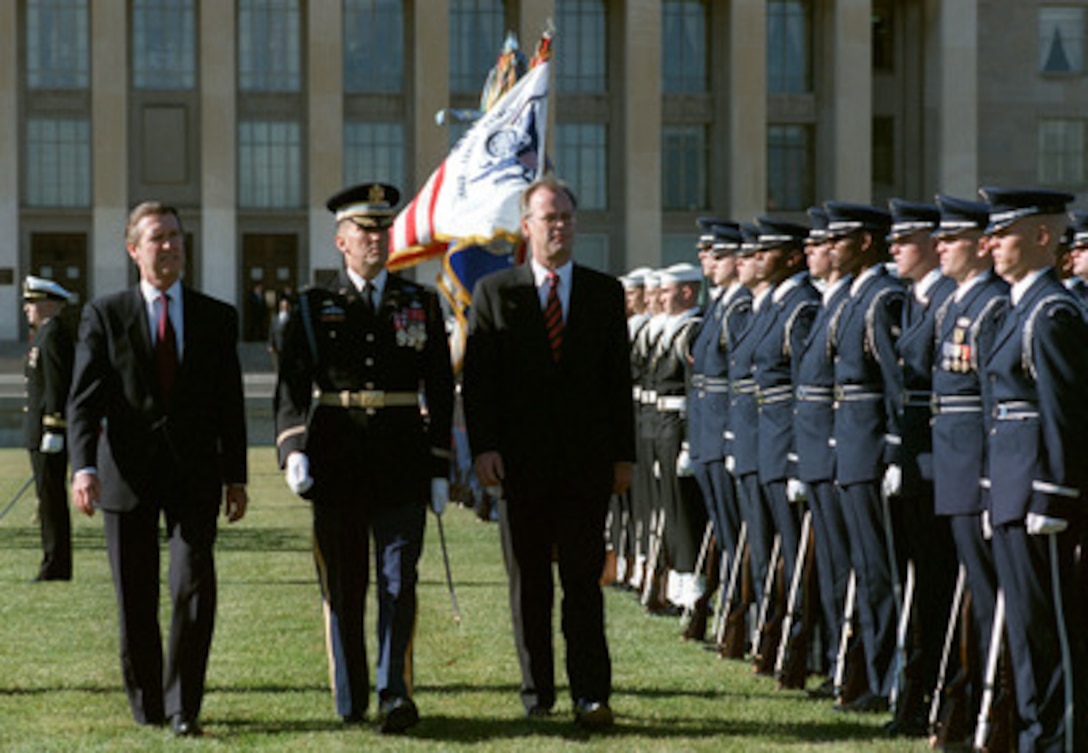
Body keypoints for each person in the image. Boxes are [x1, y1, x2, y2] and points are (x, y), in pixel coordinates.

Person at [273, 182, 454, 733]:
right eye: (365, 231)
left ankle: (394, 693)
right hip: (337, 459)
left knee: (399, 583)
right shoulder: (310, 307)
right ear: (341, 241)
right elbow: (289, 390)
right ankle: (351, 697)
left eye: (383, 230)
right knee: (346, 586)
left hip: (402, 459)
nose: (376, 239)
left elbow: (440, 388)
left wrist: (441, 463)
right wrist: (293, 450)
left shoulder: (420, 303)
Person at [67, 201, 249, 737]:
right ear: (133, 250)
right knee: (137, 596)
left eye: (175, 236)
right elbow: (83, 401)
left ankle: (183, 706)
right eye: (157, 238)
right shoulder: (105, 314)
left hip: (194, 476)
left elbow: (229, 404)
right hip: (126, 475)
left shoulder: (217, 317)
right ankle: (147, 701)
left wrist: (235, 475)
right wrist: (82, 468)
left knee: (194, 587)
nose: (169, 246)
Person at [462, 175, 635, 729]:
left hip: (586, 467)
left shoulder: (604, 293)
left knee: (583, 585)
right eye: (548, 217)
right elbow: (480, 382)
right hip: (520, 465)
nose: (558, 226)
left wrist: (622, 457)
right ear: (527, 227)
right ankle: (538, 692)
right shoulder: (495, 293)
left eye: (566, 216)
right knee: (529, 584)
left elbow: (617, 384)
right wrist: (483, 447)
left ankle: (591, 694)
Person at [979, 186, 1087, 752]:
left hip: (1038, 495)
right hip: (1012, 491)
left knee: (1051, 633)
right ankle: (1033, 734)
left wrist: (1052, 494)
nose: (990, 243)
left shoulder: (1052, 312)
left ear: (1042, 236)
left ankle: (1059, 738)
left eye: (1004, 232)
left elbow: (1063, 415)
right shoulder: (1019, 306)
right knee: (1023, 629)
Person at [928, 193, 1008, 747]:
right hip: (954, 463)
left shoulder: (993, 304)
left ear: (981, 246)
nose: (940, 246)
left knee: (988, 595)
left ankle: (992, 703)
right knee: (972, 591)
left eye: (950, 239)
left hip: (977, 467)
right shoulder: (960, 300)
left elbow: (992, 401)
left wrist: (986, 477)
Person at [824, 201, 905, 713]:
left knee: (882, 572)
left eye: (841, 239)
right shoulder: (857, 296)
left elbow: (895, 383)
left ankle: (889, 678)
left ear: (866, 243)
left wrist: (893, 449)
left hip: (872, 446)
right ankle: (872, 675)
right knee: (864, 567)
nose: (830, 247)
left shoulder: (881, 298)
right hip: (850, 445)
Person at [883, 198, 958, 736]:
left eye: (904, 242)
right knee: (918, 580)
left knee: (935, 586)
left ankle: (931, 694)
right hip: (914, 460)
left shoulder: (949, 301)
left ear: (934, 245)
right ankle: (916, 691)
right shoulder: (914, 300)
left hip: (941, 465)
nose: (895, 250)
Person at [22, 276, 75, 582]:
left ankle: (55, 564)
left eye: (32, 302)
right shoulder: (43, 334)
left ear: (48, 303)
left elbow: (57, 384)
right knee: (48, 499)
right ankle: (53, 560)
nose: (27, 309)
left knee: (52, 501)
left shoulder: (53, 335)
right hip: (39, 432)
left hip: (48, 433)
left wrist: (54, 426)